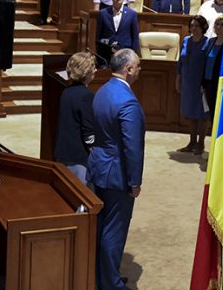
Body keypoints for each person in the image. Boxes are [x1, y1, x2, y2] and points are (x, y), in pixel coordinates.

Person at [87, 49, 145, 290]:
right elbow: (132, 148)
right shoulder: (128, 102)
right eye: (138, 66)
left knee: (100, 228)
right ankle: (111, 284)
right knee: (114, 232)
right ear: (128, 69)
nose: (140, 70)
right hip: (118, 175)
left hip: (97, 168)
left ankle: (100, 277)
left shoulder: (102, 90)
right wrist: (135, 181)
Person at [54, 51, 96, 184]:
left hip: (63, 152)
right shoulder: (87, 95)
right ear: (86, 72)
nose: (96, 70)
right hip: (79, 157)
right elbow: (88, 132)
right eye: (93, 67)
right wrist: (96, 154)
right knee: (83, 198)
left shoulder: (66, 91)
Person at [176, 15, 211, 154]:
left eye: (197, 25)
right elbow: (180, 61)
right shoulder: (186, 40)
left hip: (200, 83)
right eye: (192, 25)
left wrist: (206, 83)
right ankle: (191, 142)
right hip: (187, 82)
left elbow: (208, 65)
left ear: (203, 27)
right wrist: (178, 78)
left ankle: (200, 143)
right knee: (190, 113)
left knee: (202, 114)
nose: (193, 28)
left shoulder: (207, 42)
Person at [96, 0, 140, 64]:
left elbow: (135, 37)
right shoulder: (103, 13)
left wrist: (134, 54)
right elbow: (99, 36)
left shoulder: (132, 14)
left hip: (126, 54)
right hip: (107, 54)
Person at [203, 16, 223, 124]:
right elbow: (205, 63)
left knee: (221, 113)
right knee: (212, 112)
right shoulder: (211, 41)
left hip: (221, 83)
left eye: (222, 24)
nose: (219, 27)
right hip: (209, 83)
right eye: (217, 24)